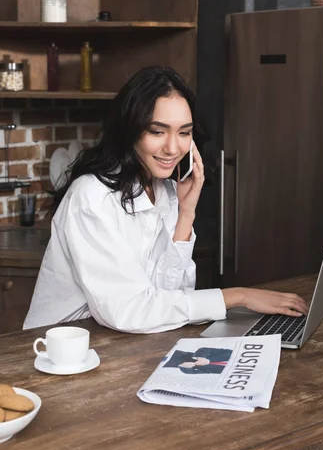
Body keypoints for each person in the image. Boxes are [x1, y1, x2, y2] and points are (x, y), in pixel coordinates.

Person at [24, 66, 308, 333]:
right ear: (130, 130)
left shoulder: (166, 190)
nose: (173, 148)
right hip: (62, 352)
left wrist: (186, 213)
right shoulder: (91, 197)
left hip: (122, 345)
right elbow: (129, 310)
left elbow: (169, 298)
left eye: (184, 132)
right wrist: (238, 296)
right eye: (157, 131)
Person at [163, 347, 233, 374]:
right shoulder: (230, 353)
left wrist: (185, 367)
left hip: (172, 364)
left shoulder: (226, 372)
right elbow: (205, 349)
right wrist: (201, 357)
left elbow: (194, 373)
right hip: (177, 354)